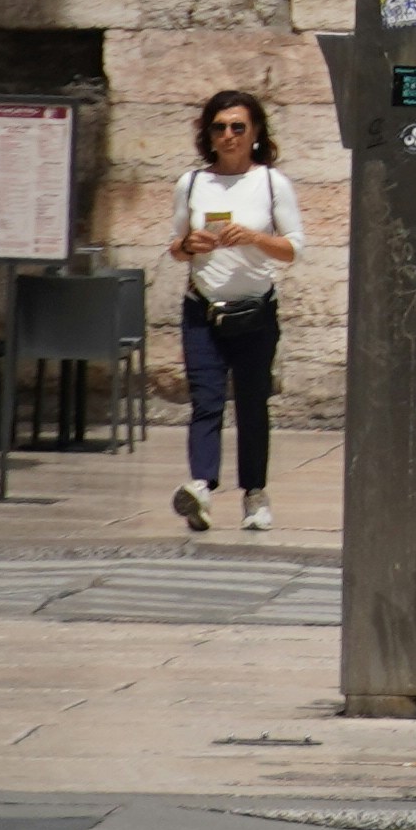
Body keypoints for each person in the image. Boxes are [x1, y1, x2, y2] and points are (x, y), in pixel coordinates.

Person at [165, 90, 304, 534]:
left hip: (254, 312)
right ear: (209, 135)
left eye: (238, 127)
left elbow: (293, 248)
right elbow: (175, 246)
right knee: (205, 401)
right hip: (201, 309)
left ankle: (254, 494)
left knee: (251, 404)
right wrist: (190, 245)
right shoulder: (191, 184)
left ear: (255, 133)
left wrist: (255, 238)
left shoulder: (271, 183)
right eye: (219, 127)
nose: (228, 136)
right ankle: (201, 488)